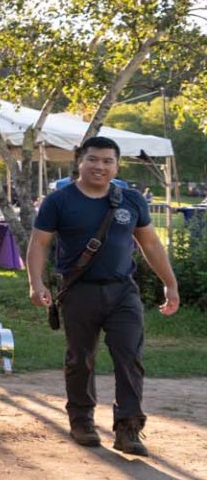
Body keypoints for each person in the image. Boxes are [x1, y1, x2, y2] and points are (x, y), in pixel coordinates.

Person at [26, 137, 179, 456]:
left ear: (117, 166)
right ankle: (81, 421)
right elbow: (39, 243)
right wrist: (35, 283)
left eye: (108, 161)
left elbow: (151, 244)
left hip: (123, 291)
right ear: (80, 162)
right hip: (78, 291)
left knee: (129, 357)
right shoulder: (59, 201)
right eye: (93, 159)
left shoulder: (131, 200)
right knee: (80, 358)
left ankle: (128, 429)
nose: (100, 166)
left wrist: (170, 284)